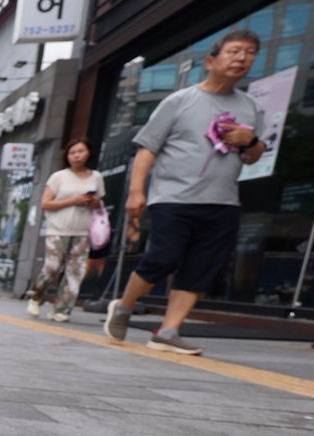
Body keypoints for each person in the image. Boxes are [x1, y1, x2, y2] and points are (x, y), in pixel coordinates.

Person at [104, 29, 266, 355]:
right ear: (211, 60)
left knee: (201, 267)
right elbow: (147, 149)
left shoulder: (250, 107)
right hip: (173, 197)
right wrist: (136, 192)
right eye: (234, 51)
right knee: (162, 257)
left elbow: (254, 156)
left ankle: (169, 330)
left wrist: (248, 141)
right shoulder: (180, 101)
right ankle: (123, 306)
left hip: (222, 201)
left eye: (249, 53)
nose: (242, 58)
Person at [28, 138, 105, 322]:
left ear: (88, 153)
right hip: (57, 229)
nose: (77, 155)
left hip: (82, 232)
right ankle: (36, 296)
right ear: (67, 156)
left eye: (81, 151)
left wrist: (92, 201)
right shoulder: (58, 177)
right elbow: (45, 203)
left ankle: (62, 309)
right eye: (72, 152)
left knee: (75, 271)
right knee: (52, 266)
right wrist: (74, 201)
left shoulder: (96, 177)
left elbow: (99, 204)